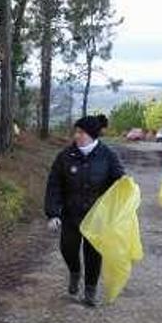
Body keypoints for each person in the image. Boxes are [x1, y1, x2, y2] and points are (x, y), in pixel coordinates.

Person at [44, 114, 125, 307]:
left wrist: (124, 188)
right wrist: (53, 213)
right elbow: (54, 185)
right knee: (68, 249)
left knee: (93, 255)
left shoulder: (108, 155)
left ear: (92, 135)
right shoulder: (65, 156)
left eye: (81, 132)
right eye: (76, 131)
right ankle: (74, 272)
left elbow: (120, 180)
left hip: (97, 217)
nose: (76, 135)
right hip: (71, 215)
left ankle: (90, 291)